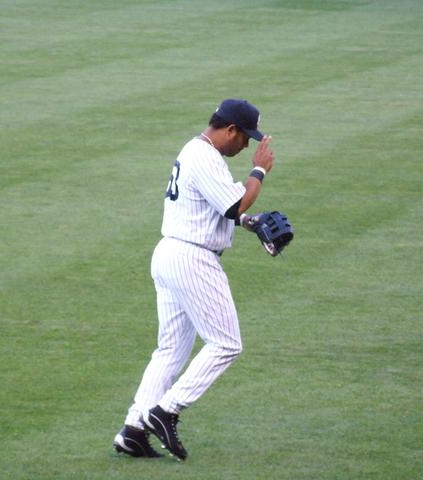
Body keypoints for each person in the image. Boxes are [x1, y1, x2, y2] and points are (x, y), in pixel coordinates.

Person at [113, 99, 274, 460]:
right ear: (230, 130)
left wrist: (249, 222)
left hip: (171, 253)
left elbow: (219, 209)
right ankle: (166, 410)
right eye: (245, 137)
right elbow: (234, 204)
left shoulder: (195, 152)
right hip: (192, 260)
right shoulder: (205, 156)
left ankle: (134, 429)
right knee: (226, 344)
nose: (245, 145)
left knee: (170, 350)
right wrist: (259, 171)